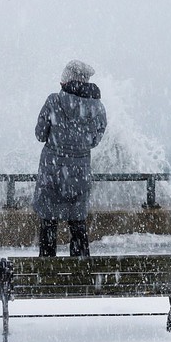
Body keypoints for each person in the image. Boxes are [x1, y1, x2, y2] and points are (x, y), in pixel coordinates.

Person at [33, 60, 107, 257]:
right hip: (79, 174)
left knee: (48, 225)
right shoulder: (98, 107)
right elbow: (94, 139)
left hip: (52, 173)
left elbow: (40, 134)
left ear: (66, 80)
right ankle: (81, 277)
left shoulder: (53, 101)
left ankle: (47, 276)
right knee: (78, 227)